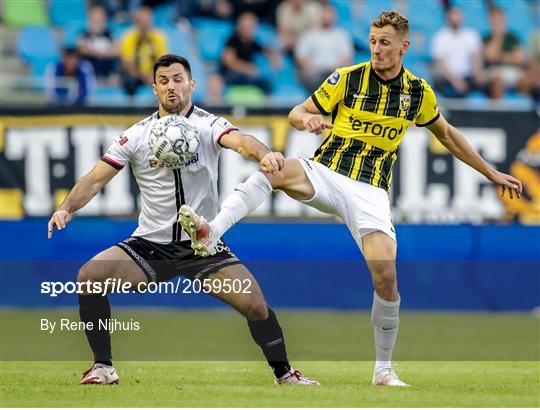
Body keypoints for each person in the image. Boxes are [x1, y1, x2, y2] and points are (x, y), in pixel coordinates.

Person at [179, 11, 523, 387]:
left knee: (386, 277)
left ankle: (383, 370)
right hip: (325, 172)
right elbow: (298, 111)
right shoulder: (348, 77)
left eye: (385, 43)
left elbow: (447, 134)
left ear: (404, 47)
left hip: (369, 191)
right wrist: (306, 120)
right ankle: (211, 230)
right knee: (274, 169)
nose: (376, 49)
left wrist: (491, 172)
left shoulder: (417, 92)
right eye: (373, 41)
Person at [47, 54, 318, 386]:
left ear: (192, 84)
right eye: (163, 81)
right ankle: (103, 366)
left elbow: (243, 142)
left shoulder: (208, 124)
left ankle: (285, 374)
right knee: (89, 277)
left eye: (178, 79)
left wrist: (266, 154)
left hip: (202, 245)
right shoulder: (137, 135)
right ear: (154, 88)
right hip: (150, 245)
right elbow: (94, 179)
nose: (171, 86)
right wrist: (66, 208)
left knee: (256, 306)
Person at [294, 3, 354, 93]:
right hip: (315, 73)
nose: (327, 16)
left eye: (330, 13)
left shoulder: (342, 35)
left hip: (335, 73)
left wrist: (337, 72)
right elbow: (301, 57)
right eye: (325, 13)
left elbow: (346, 58)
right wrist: (310, 68)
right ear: (319, 15)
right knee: (311, 79)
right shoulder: (308, 35)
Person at [219, 12, 279, 94]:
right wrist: (247, 68)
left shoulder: (252, 42)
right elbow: (229, 62)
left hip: (247, 75)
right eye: (246, 27)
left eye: (251, 27)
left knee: (267, 83)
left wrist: (273, 58)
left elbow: (266, 50)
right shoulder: (232, 40)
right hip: (232, 74)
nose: (249, 29)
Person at [431, 6, 484, 97]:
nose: (455, 17)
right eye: (453, 14)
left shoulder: (471, 35)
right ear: (447, 16)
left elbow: (476, 58)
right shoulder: (440, 37)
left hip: (468, 78)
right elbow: (440, 64)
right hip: (448, 79)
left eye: (457, 14)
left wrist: (478, 73)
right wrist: (456, 81)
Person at [120, 6, 167, 96]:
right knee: (129, 82)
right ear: (136, 22)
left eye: (147, 22)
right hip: (136, 75)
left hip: (153, 74)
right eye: (141, 22)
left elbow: (162, 62)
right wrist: (144, 77)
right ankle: (131, 108)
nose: (144, 25)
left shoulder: (159, 37)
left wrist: (153, 75)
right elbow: (129, 64)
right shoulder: (129, 37)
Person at [483, 6, 528, 99]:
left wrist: (500, 56)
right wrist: (498, 36)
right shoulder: (486, 37)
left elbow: (519, 59)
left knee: (525, 79)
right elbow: (490, 57)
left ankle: (523, 108)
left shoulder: (514, 37)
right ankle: (497, 110)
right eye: (494, 19)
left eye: (499, 18)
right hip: (493, 70)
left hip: (512, 70)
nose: (497, 21)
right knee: (498, 79)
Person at [77, 4, 119, 84]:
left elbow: (116, 50)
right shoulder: (84, 34)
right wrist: (99, 53)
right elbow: (82, 48)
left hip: (107, 68)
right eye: (95, 16)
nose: (97, 19)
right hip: (91, 69)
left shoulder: (110, 34)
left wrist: (101, 53)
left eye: (100, 16)